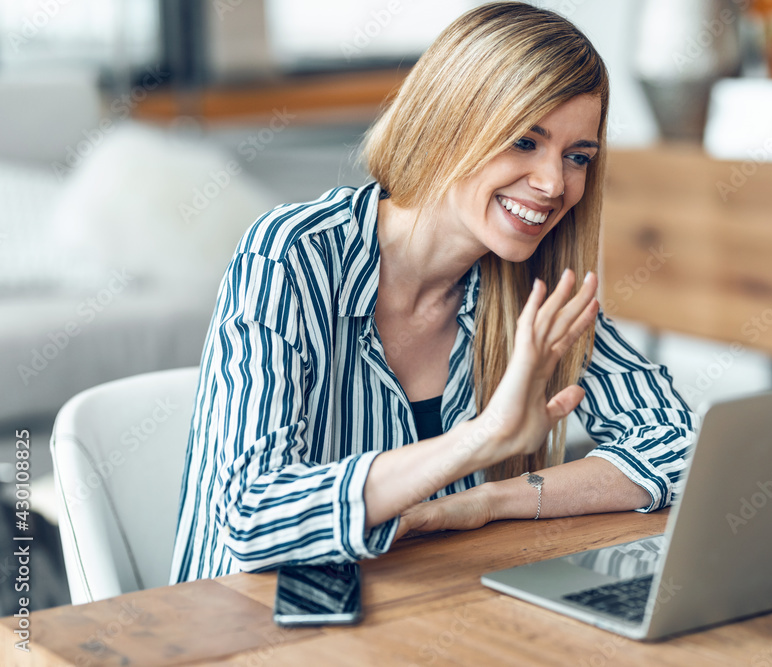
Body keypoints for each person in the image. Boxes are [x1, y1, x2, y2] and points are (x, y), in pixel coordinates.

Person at [169, 1, 696, 584]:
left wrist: (491, 501)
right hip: (255, 615)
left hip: (426, 604)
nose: (554, 184)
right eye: (525, 141)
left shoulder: (532, 283)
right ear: (450, 123)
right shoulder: (292, 255)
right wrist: (478, 441)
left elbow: (683, 446)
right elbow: (250, 516)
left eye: (577, 157)